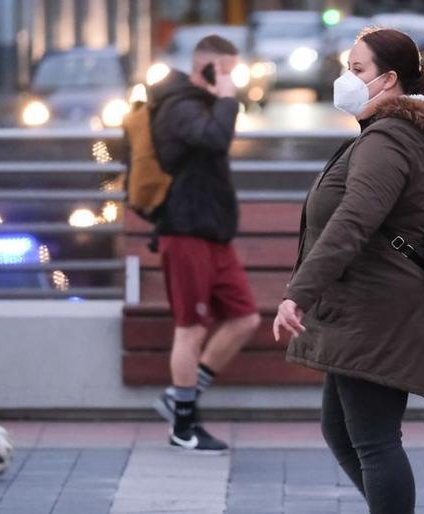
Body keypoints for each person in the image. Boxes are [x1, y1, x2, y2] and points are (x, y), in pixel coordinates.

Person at [273, 28, 424, 514]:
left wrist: (298, 293)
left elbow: (353, 221)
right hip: (364, 304)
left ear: (388, 79)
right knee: (343, 430)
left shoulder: (389, 139)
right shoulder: (390, 134)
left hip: (375, 309)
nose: (347, 79)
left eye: (357, 70)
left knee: (374, 441)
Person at [146, 35, 261, 453]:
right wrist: (227, 96)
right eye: (228, 70)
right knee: (191, 330)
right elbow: (214, 140)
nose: (233, 79)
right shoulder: (179, 106)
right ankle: (183, 426)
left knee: (244, 318)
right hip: (185, 231)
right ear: (209, 68)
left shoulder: (200, 104)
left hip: (213, 235)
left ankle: (180, 397)